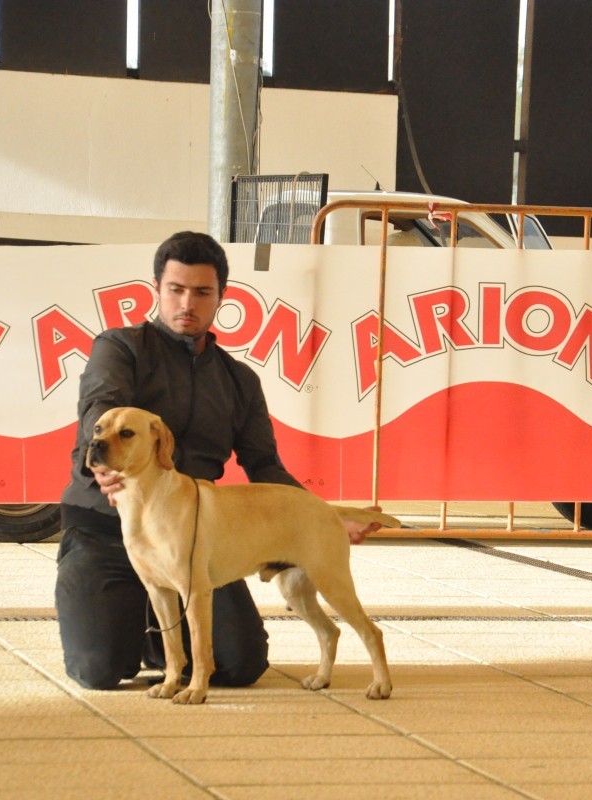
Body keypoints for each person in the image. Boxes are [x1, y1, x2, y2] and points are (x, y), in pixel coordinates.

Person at [55, 231, 371, 691]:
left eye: (202, 292)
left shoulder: (239, 381)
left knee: (241, 665)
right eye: (176, 289)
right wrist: (102, 464)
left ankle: (167, 631)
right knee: (98, 669)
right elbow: (98, 409)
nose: (188, 303)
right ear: (156, 289)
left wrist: (320, 517)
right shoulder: (120, 347)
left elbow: (265, 466)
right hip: (103, 527)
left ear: (222, 296)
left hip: (191, 538)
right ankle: (145, 630)